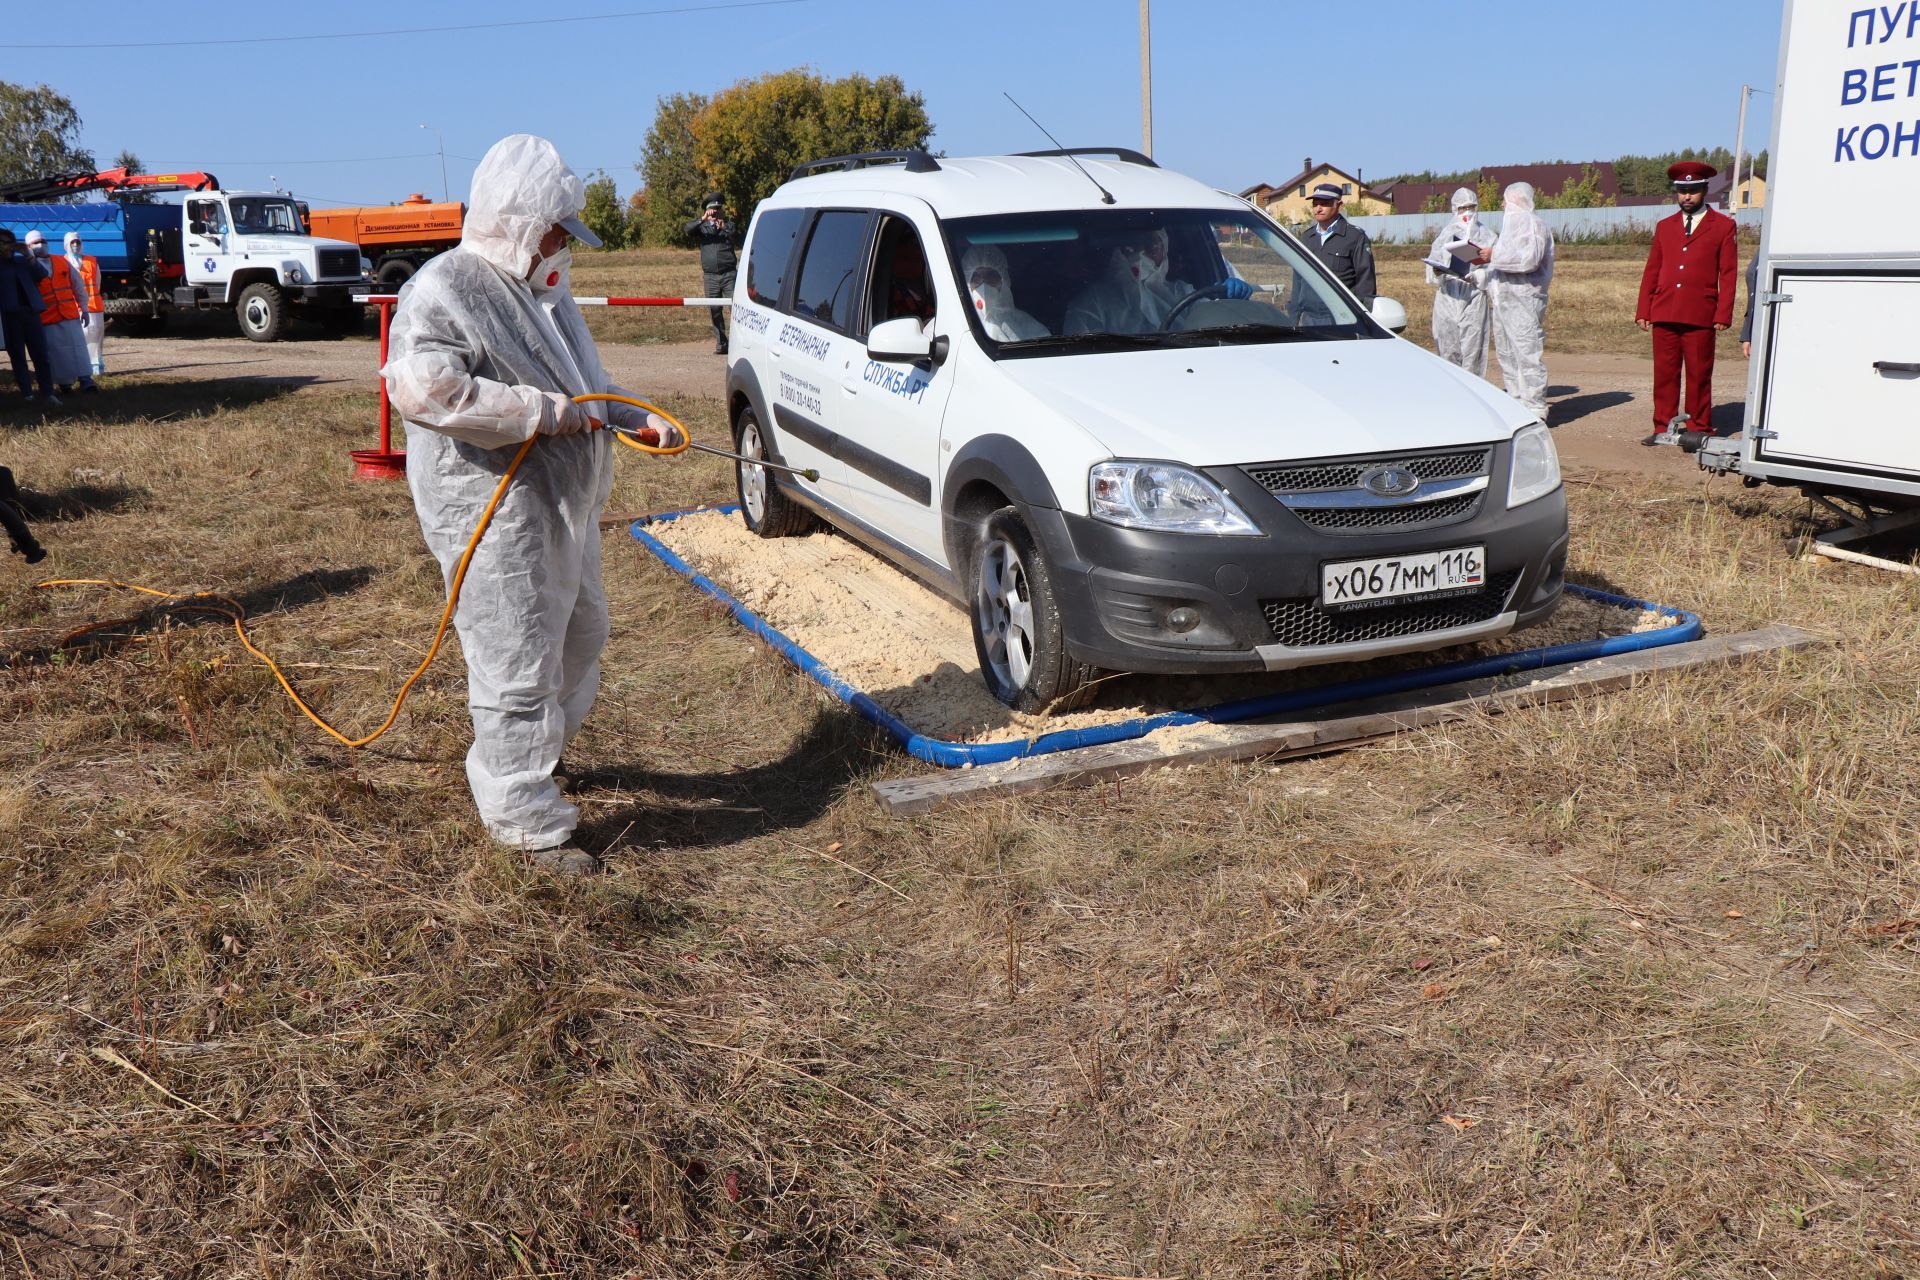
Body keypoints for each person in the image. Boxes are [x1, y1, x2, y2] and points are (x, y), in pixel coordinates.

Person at [381, 133, 683, 875]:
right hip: (494, 508)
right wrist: (540, 413)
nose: (561, 243)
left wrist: (624, 416)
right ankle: (524, 823)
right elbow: (421, 388)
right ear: (517, 218)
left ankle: (535, 759)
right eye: (554, 226)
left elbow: (586, 384)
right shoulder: (446, 285)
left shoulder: (545, 290)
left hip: (561, 505)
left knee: (582, 632)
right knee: (516, 656)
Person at [1635, 161, 1739, 450]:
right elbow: (1652, 269)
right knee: (1664, 375)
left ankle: (1699, 427)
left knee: (1698, 374)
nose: (1687, 197)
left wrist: (1723, 312)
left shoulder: (1723, 226)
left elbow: (1728, 274)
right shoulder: (1665, 226)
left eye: (1693, 191)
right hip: (1665, 310)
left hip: (1700, 313)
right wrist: (1644, 308)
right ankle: (1662, 426)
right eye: (1682, 192)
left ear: (1704, 191)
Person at [1471, 182, 1555, 421]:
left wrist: (1493, 255)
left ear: (1516, 200)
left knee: (1527, 353)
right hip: (1504, 301)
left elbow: (1528, 261)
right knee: (1507, 354)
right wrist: (1484, 274)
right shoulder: (1509, 231)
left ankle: (1535, 407)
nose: (1501, 205)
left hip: (1524, 301)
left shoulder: (1534, 226)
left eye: (1505, 200)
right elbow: (1502, 268)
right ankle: (1517, 401)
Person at [1065, 226, 1196, 333]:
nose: (1140, 256)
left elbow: (1211, 315)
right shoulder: (1091, 302)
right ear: (1117, 251)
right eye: (1131, 248)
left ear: (1164, 250)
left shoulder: (1185, 295)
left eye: (1150, 248)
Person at [1425, 187, 1494, 375]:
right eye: (1463, 208)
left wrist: (1482, 275)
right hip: (1448, 296)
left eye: (1471, 207)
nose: (1467, 212)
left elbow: (1496, 268)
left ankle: (1474, 391)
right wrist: (1437, 270)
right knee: (1448, 347)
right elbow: (1432, 266)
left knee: (1473, 349)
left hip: (1473, 296)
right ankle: (1452, 392)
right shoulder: (1444, 235)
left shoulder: (1488, 235)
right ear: (1455, 209)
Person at [26, 231, 97, 396]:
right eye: (36, 242)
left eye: (43, 241)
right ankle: (66, 386)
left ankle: (86, 381)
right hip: (48, 318)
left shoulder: (61, 261)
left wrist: (84, 308)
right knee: (58, 354)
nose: (41, 244)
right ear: (29, 246)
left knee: (79, 349)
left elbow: (78, 285)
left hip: (69, 315)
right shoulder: (29, 267)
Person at [1296, 183, 1376, 309]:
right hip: (1309, 316)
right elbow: (1298, 279)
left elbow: (1365, 283)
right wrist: (1294, 314)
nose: (1318, 208)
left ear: (1339, 205)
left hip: (1342, 317)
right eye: (1315, 204)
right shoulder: (1306, 238)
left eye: (1324, 204)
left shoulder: (1355, 237)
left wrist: (1362, 317)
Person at [0, 229, 57, 406]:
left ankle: (48, 392)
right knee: (17, 355)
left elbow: (42, 275)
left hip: (30, 312)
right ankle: (27, 393)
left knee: (40, 353)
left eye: (7, 241)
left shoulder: (21, 260)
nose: (4, 244)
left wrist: (29, 256)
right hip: (9, 315)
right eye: (1, 241)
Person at [683, 194, 739, 355]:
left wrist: (723, 226)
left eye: (718, 210)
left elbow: (738, 236)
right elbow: (687, 229)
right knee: (714, 310)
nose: (715, 213)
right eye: (712, 211)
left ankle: (739, 342)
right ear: (707, 211)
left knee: (736, 309)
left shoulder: (728, 226)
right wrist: (703, 219)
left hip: (729, 275)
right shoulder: (702, 227)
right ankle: (721, 343)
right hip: (710, 276)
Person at [960, 244, 1048, 341]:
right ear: (967, 282)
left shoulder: (1029, 328)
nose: (983, 284)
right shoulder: (958, 324)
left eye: (991, 276)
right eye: (975, 278)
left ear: (1004, 281)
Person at [65, 232, 106, 380]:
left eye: (77, 242)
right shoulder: (64, 262)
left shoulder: (91, 261)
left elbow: (98, 282)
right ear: (67, 245)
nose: (75, 245)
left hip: (94, 307)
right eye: (72, 243)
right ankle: (80, 368)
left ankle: (96, 367)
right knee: (80, 338)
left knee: (96, 336)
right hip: (74, 308)